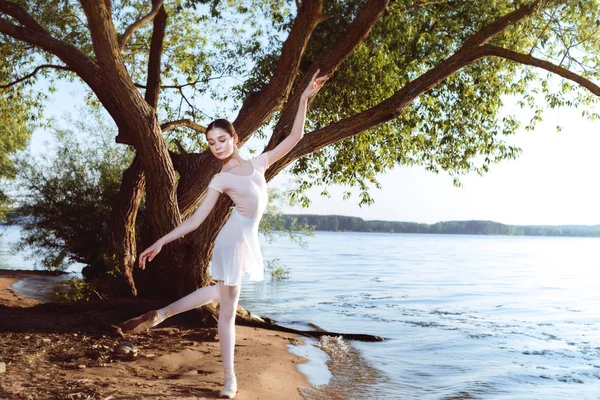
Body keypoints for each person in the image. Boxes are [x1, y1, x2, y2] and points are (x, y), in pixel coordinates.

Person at [118, 70, 328, 399]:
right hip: (232, 241)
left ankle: (161, 314)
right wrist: (160, 241)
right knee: (228, 310)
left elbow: (295, 138)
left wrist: (303, 99)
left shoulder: (258, 164)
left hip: (244, 240)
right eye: (211, 143)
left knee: (220, 295)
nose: (216, 147)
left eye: (221, 140)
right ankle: (229, 381)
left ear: (235, 138)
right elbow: (197, 220)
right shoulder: (221, 178)